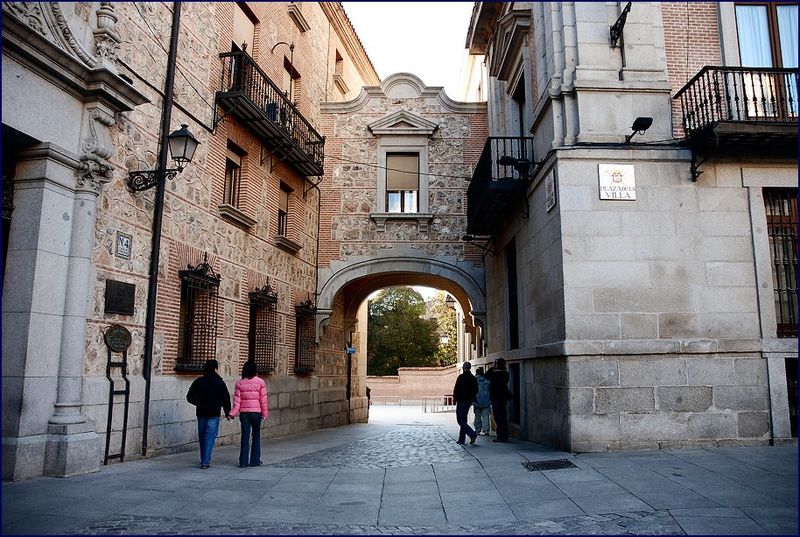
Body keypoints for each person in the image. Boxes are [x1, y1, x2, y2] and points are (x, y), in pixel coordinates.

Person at [186, 359, 231, 469]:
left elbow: (189, 397)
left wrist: (199, 403)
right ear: (215, 369)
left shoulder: (199, 381)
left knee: (202, 436)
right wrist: (227, 412)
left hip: (201, 412)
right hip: (214, 413)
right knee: (209, 437)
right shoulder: (220, 382)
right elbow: (226, 398)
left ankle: (204, 459)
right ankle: (205, 461)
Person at [229, 361, 269, 468]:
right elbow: (263, 400)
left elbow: (237, 402)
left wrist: (232, 413)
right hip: (256, 413)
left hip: (244, 413)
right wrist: (264, 414)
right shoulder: (261, 382)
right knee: (256, 436)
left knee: (245, 437)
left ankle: (243, 461)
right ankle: (255, 460)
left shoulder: (240, 383)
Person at [452, 361, 478, 445]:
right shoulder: (473, 378)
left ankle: (472, 434)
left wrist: (455, 398)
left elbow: (456, 389)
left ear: (463, 368)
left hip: (461, 401)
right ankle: (461, 439)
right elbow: (476, 390)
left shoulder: (461, 377)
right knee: (464, 420)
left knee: (460, 420)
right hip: (469, 401)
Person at [486, 358, 510, 442]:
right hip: (503, 398)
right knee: (503, 417)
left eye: (495, 363)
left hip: (496, 398)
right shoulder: (505, 374)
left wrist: (492, 368)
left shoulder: (494, 374)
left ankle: (500, 436)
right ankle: (504, 436)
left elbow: (486, 375)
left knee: (498, 417)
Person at [473, 367, 492, 436]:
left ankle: (477, 430)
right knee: (485, 416)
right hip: (486, 401)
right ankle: (486, 430)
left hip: (476, 402)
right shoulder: (487, 382)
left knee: (477, 417)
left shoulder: (473, 381)